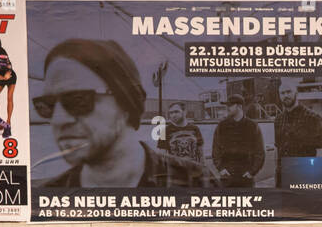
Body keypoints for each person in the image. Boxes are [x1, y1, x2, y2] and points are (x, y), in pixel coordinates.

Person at [35, 38, 205, 189]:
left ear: (125, 103)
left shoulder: (201, 183)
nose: (58, 119)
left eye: (78, 100)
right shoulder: (48, 196)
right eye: (47, 106)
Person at [273, 77, 322, 188]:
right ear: (279, 96)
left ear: (296, 93)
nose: (286, 96)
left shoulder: (312, 117)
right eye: (282, 93)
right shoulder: (278, 120)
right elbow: (278, 148)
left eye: (289, 92)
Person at [210, 93, 264, 187]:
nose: (227, 108)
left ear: (239, 106)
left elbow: (259, 152)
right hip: (227, 176)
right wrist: (221, 169)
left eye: (230, 105)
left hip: (246, 176)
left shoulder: (252, 126)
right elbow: (216, 149)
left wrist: (252, 172)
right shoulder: (222, 126)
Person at [158, 101, 204, 165]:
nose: (173, 115)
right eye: (171, 113)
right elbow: (162, 156)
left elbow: (200, 152)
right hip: (176, 172)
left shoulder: (195, 129)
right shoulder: (165, 131)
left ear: (185, 112)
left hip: (194, 171)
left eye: (176, 112)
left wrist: (203, 167)